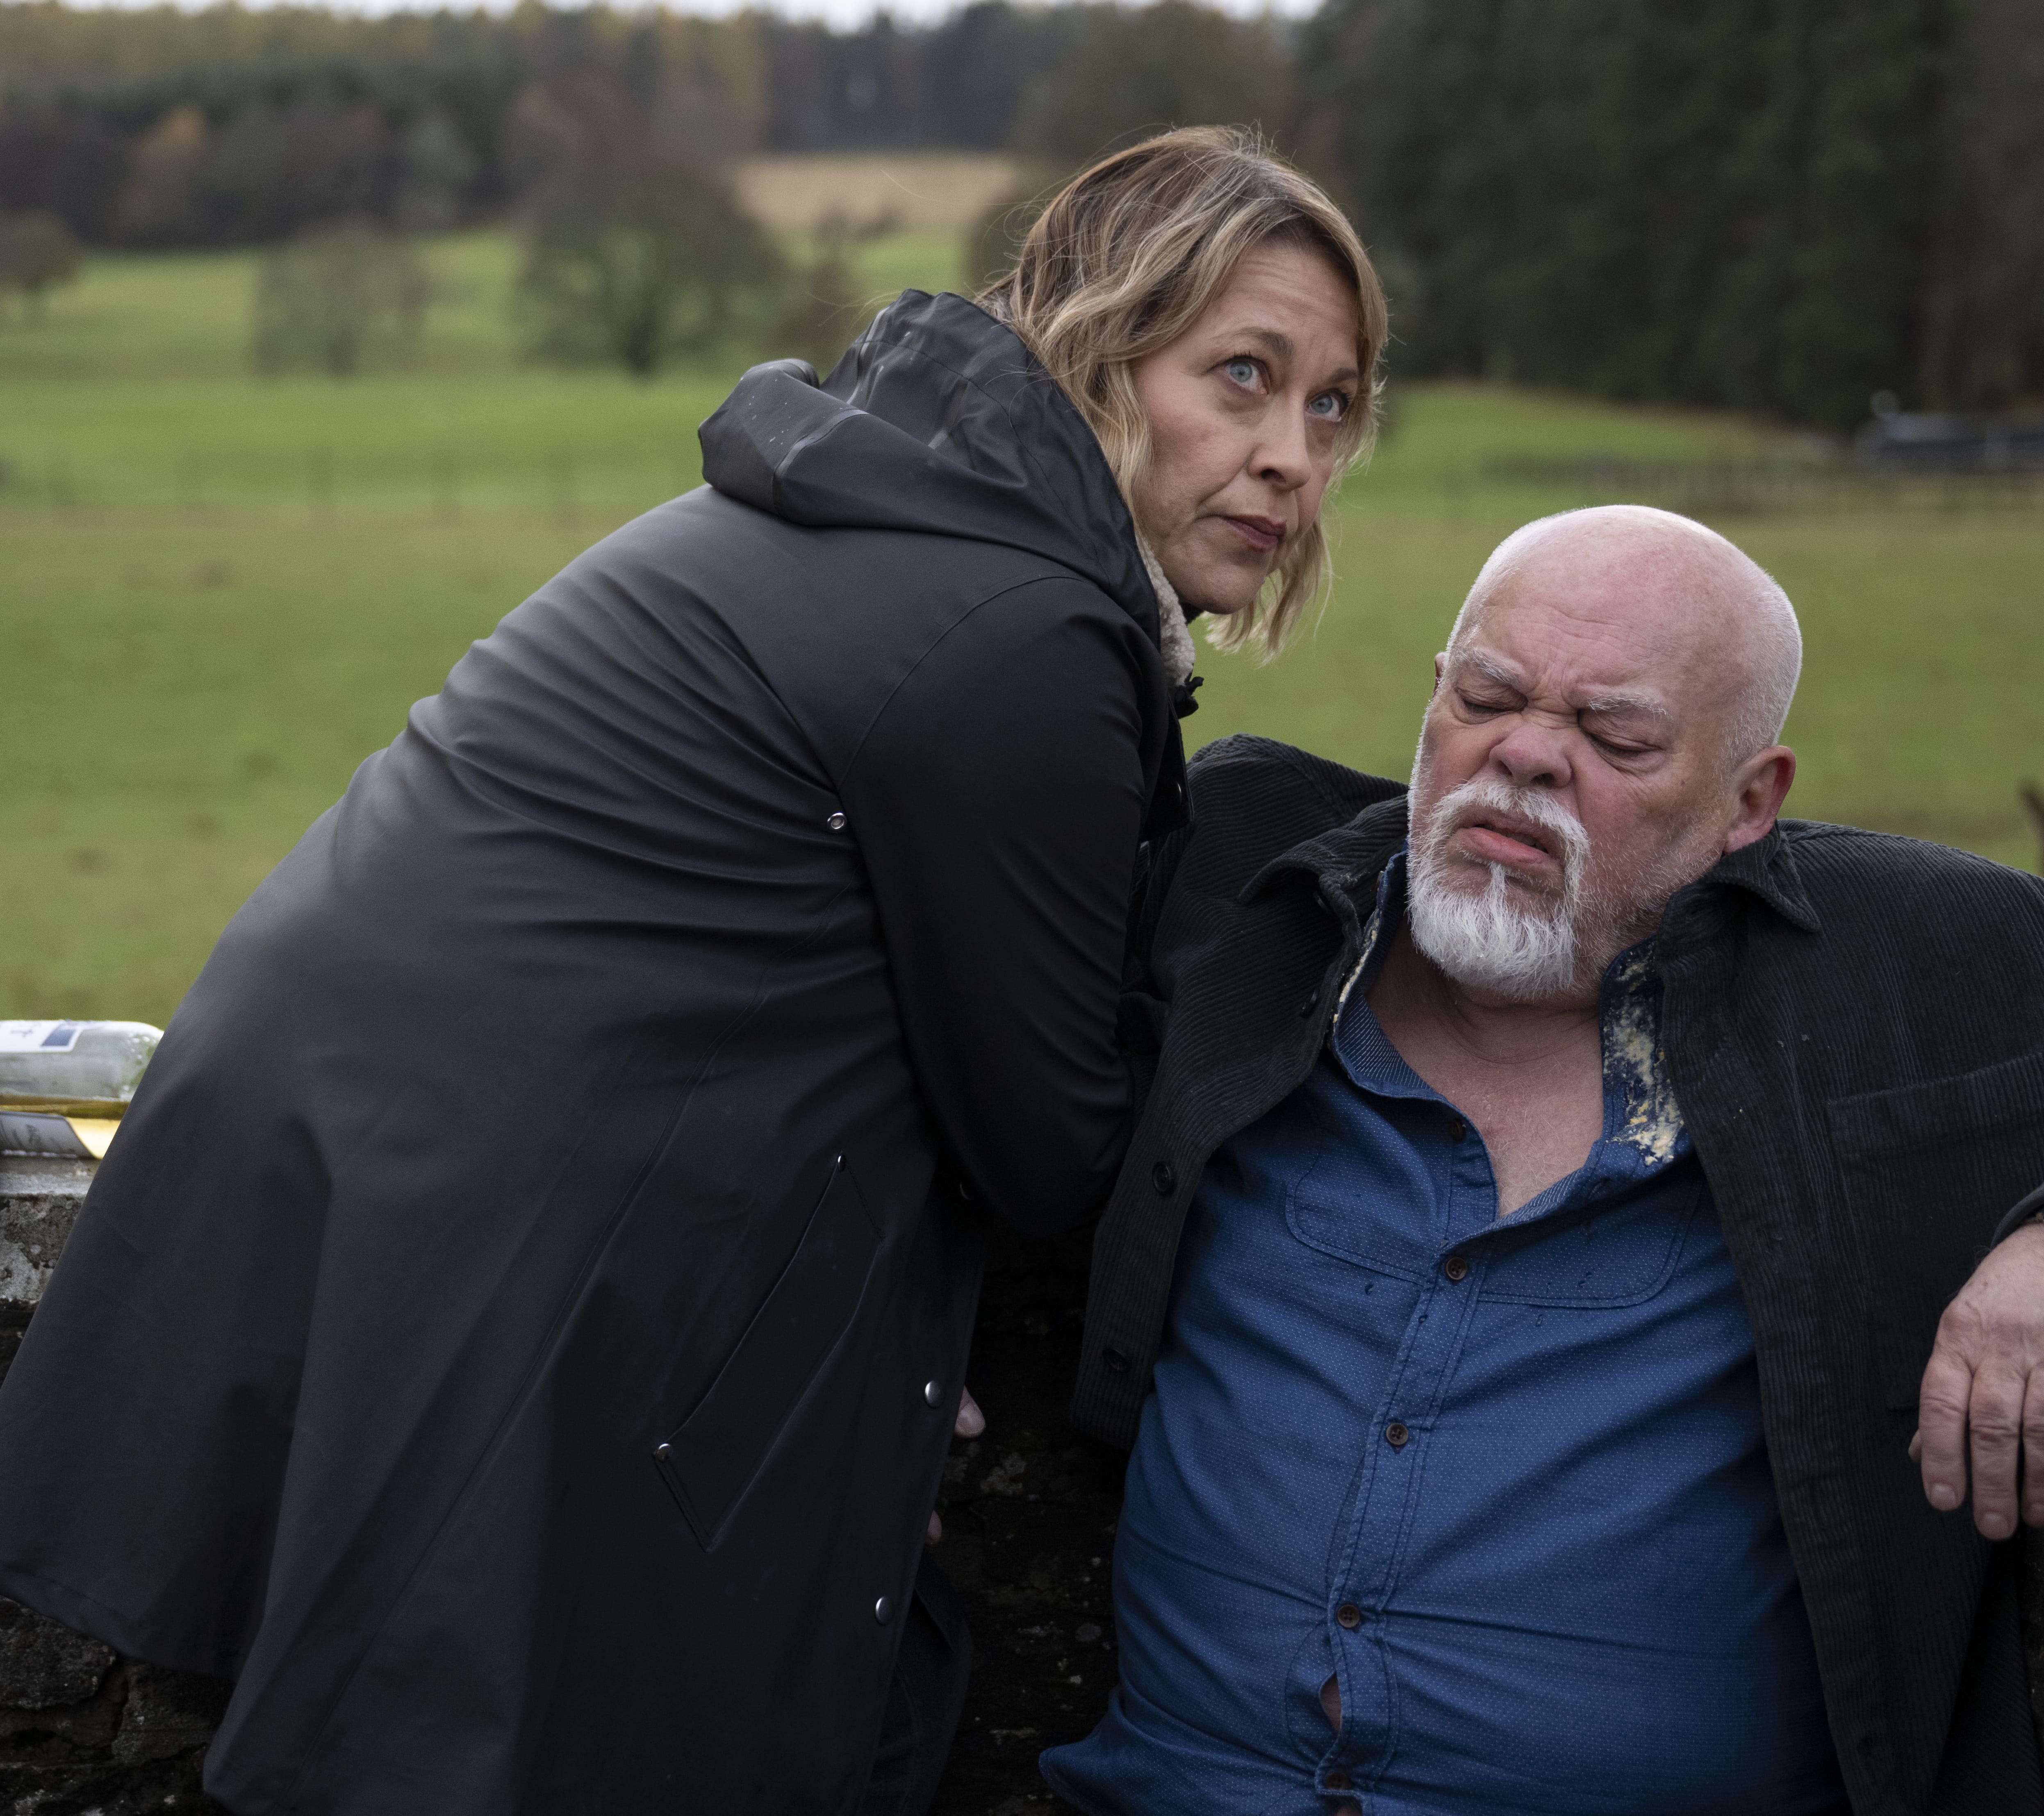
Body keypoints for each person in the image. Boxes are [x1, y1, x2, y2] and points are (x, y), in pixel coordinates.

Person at [0, 127, 1385, 1815]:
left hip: (340, 1158)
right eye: (1241, 377)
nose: (1289, 457)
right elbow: (1055, 1142)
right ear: (1102, 349)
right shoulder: (1018, 626)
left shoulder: (895, 500)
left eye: (1331, 405)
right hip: (498, 1218)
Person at [1046, 506, 2044, 1815]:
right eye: (1486, 696)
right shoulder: (1242, 882)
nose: (1526, 756)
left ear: (1753, 801)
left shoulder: (1922, 970)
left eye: (1615, 737)